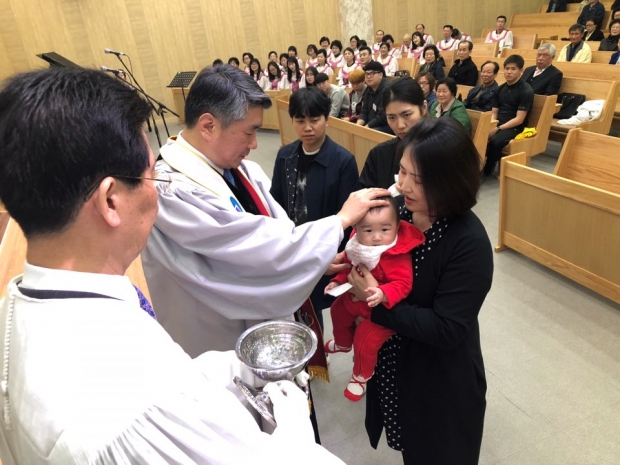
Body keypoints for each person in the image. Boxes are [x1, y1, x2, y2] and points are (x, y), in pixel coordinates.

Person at [0, 67, 345, 464]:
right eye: (150, 174)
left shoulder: (16, 309)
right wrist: (289, 411)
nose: (159, 188)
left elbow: (177, 375)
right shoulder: (140, 410)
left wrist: (241, 368)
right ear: (111, 201)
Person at [143, 65, 389, 359]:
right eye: (249, 132)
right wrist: (341, 220)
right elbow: (248, 251)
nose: (255, 144)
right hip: (220, 338)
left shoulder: (236, 166)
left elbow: (277, 229)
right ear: (208, 126)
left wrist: (311, 256)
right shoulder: (173, 192)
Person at [352, 117, 493, 465]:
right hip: (398, 367)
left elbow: (447, 328)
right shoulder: (398, 215)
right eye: (402, 171)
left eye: (419, 179)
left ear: (450, 181)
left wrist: (375, 302)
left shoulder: (468, 242)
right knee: (410, 450)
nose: (404, 185)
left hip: (440, 382)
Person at [270, 87, 359, 328]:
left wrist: (330, 256)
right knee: (293, 305)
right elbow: (275, 202)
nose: (307, 127)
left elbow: (347, 217)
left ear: (327, 119)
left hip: (325, 251)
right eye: (300, 120)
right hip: (292, 248)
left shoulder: (343, 161)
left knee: (320, 308)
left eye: (314, 120)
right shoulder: (284, 156)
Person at [324, 197, 425, 402]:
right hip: (356, 298)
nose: (377, 237)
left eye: (385, 230)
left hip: (380, 311)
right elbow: (348, 268)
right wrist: (336, 281)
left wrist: (383, 293)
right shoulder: (357, 246)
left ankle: (361, 376)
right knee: (337, 310)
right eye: (368, 230)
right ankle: (343, 343)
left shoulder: (397, 254)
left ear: (397, 227)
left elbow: (404, 283)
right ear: (356, 228)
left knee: (365, 341)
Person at [358, 78, 428, 190]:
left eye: (406, 115)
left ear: (424, 108)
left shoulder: (444, 150)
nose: (400, 125)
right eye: (391, 117)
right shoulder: (379, 154)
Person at [483, 54, 534, 176]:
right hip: (499, 124)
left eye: (513, 69)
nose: (509, 72)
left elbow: (519, 119)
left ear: (521, 70)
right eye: (507, 69)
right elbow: (494, 112)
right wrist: (492, 125)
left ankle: (487, 170)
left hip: (515, 127)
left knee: (495, 141)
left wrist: (498, 128)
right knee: (478, 134)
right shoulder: (499, 89)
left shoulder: (526, 90)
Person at [356, 61, 390, 132]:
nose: (368, 77)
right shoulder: (369, 88)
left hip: (385, 125)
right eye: (366, 74)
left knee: (365, 133)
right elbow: (364, 110)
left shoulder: (388, 90)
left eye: (372, 74)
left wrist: (366, 127)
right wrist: (357, 126)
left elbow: (383, 117)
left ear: (380, 75)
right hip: (371, 124)